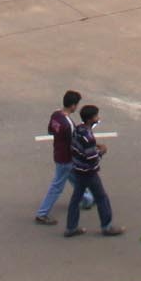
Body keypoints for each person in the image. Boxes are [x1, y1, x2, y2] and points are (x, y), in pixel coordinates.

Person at [63, 103, 123, 238]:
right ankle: (107, 226)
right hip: (88, 172)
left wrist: (95, 145)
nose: (98, 118)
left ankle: (71, 227)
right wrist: (101, 152)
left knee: (75, 199)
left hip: (77, 169)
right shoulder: (88, 137)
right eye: (96, 116)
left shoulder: (79, 129)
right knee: (101, 197)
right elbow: (91, 158)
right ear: (90, 119)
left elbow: (78, 145)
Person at [35, 90, 89, 224]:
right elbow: (74, 142)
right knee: (57, 186)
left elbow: (50, 130)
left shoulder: (56, 115)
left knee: (76, 179)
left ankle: (87, 199)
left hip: (58, 153)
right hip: (67, 158)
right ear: (73, 105)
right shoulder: (68, 124)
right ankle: (42, 213)